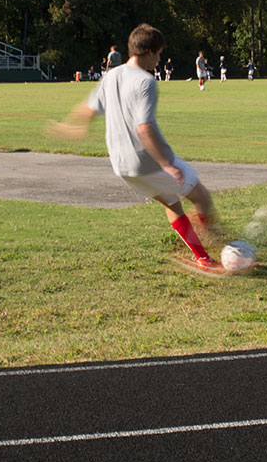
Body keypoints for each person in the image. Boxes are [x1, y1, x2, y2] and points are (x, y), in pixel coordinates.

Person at [52, 23, 231, 276]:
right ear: (148, 51)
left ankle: (203, 258)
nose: (159, 60)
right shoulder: (145, 81)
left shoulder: (111, 75)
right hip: (148, 161)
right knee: (202, 197)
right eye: (158, 54)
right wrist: (167, 164)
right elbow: (144, 127)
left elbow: (88, 108)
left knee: (172, 203)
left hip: (122, 166)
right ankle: (220, 242)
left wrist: (70, 127)